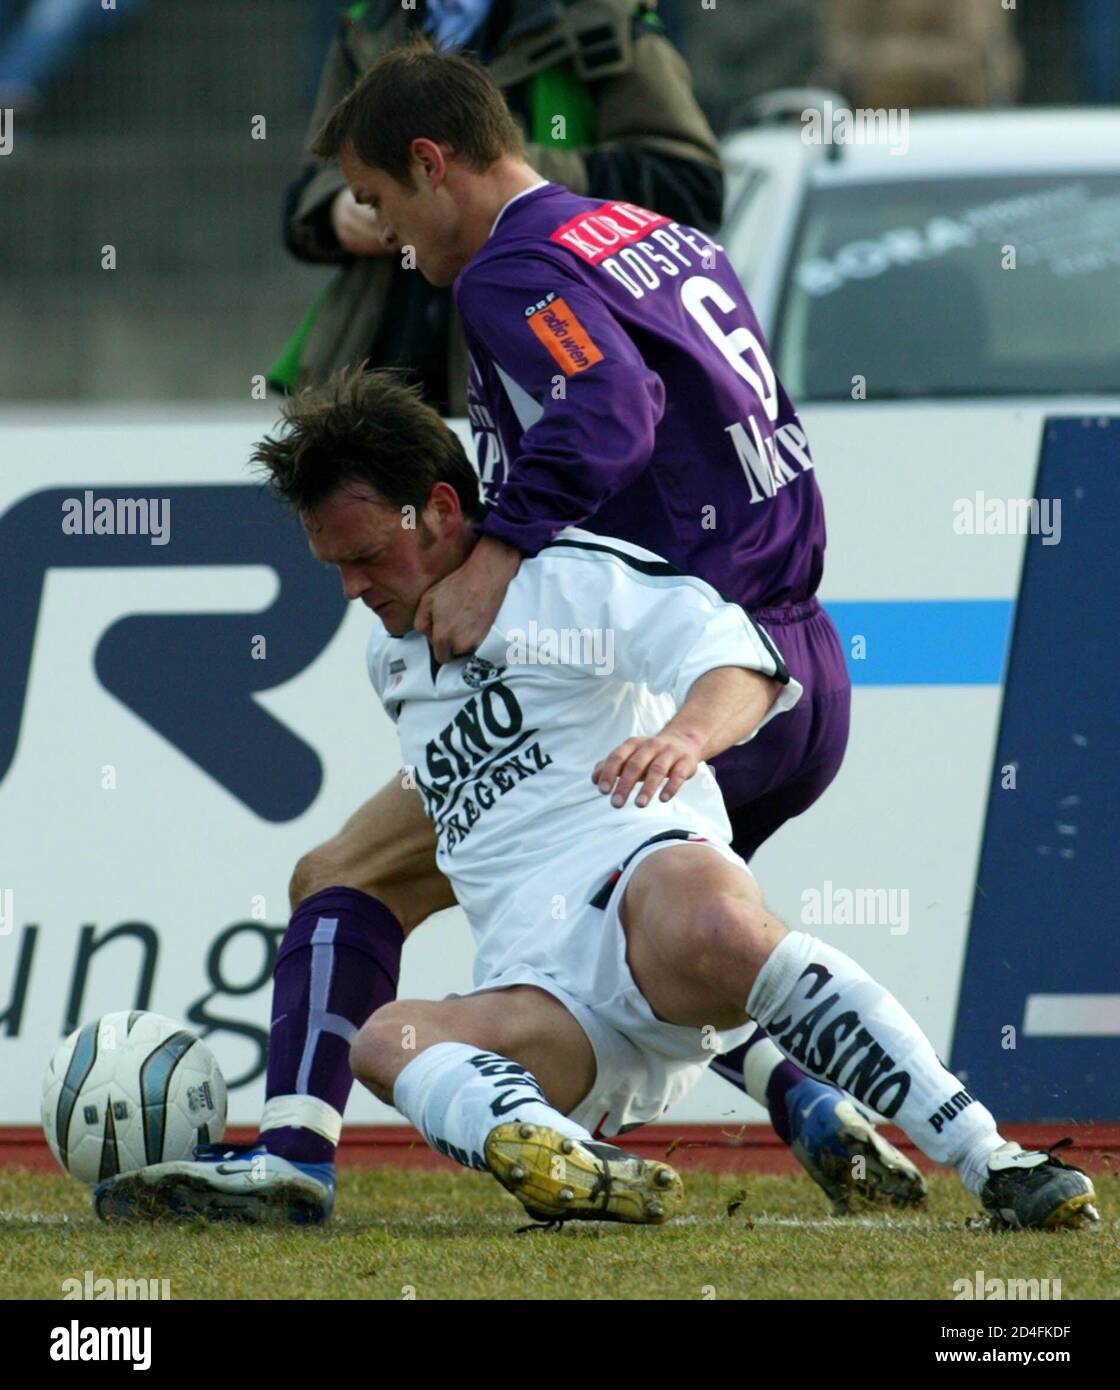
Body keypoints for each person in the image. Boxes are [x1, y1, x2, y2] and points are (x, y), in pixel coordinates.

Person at [93, 368, 1099, 1233]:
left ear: (443, 510)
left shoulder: (566, 580)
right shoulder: (389, 659)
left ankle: (991, 1159)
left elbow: (741, 661)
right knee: (386, 1039)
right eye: (336, 567)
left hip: (642, 896)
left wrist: (682, 735)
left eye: (365, 557)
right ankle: (568, 1154)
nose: (353, 587)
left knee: (717, 919)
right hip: (549, 999)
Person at [273, 0, 726, 415]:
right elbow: (309, 187)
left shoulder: (602, 18)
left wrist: (503, 184)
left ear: (431, 161)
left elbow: (691, 186)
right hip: (381, 366)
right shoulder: (369, 20)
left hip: (540, 365)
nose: (389, 226)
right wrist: (336, 209)